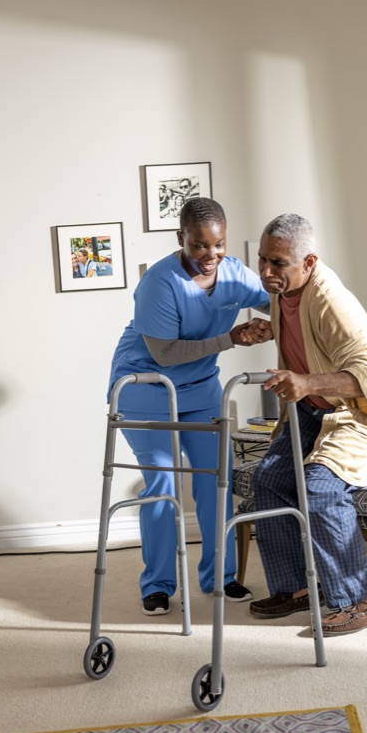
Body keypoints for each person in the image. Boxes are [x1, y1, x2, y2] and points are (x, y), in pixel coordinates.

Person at [248, 214, 367, 636]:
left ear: (309, 262)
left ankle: (363, 600)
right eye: (262, 260)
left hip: (364, 411)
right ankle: (297, 589)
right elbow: (308, 332)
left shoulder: (332, 301)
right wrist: (273, 330)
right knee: (268, 480)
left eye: (278, 263)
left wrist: (305, 381)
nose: (267, 272)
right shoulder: (284, 287)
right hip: (315, 407)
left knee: (320, 488)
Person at [108, 197, 272, 615]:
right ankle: (158, 584)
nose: (210, 255)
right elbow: (163, 353)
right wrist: (232, 338)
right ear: (181, 238)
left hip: (199, 391)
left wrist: (285, 322)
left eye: (218, 245)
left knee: (217, 482)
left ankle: (222, 576)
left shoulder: (235, 274)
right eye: (199, 246)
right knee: (163, 485)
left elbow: (279, 303)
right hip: (146, 389)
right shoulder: (160, 283)